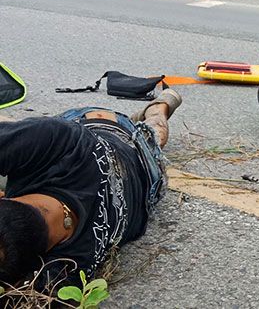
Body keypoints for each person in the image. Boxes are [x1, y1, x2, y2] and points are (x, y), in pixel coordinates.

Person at [0, 89, 182, 289]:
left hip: (92, 126)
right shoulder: (58, 141)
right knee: (155, 134)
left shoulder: (67, 272)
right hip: (138, 160)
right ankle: (157, 110)